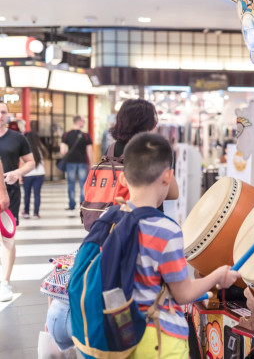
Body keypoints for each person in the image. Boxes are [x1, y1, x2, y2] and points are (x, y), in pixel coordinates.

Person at [122, 133, 240, 357]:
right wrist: (217, 276)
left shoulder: (112, 219)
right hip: (159, 340)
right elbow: (183, 293)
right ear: (167, 176)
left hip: (122, 335)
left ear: (123, 177)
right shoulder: (166, 231)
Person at [109, 99, 178, 208]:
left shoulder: (111, 149)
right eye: (154, 122)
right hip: (147, 214)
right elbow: (173, 194)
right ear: (146, 124)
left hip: (115, 213)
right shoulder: (152, 149)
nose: (155, 126)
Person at [0, 101, 35, 301]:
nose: (0, 115)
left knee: (8, 238)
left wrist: (18, 172)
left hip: (9, 194)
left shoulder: (17, 138)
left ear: (8, 115)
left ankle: (5, 281)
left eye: (3, 112)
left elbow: (31, 162)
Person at [60, 115, 93, 211]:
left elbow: (62, 150)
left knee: (71, 184)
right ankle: (82, 205)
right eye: (83, 121)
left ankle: (71, 204)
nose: (84, 123)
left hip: (70, 163)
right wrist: (91, 164)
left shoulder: (66, 135)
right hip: (82, 163)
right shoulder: (86, 136)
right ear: (78, 122)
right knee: (83, 184)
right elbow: (89, 151)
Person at [23, 131, 48, 219]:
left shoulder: (24, 149)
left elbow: (21, 163)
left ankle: (26, 212)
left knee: (27, 194)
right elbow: (44, 162)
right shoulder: (41, 148)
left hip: (27, 174)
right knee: (37, 194)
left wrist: (19, 175)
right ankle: (36, 213)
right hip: (39, 174)